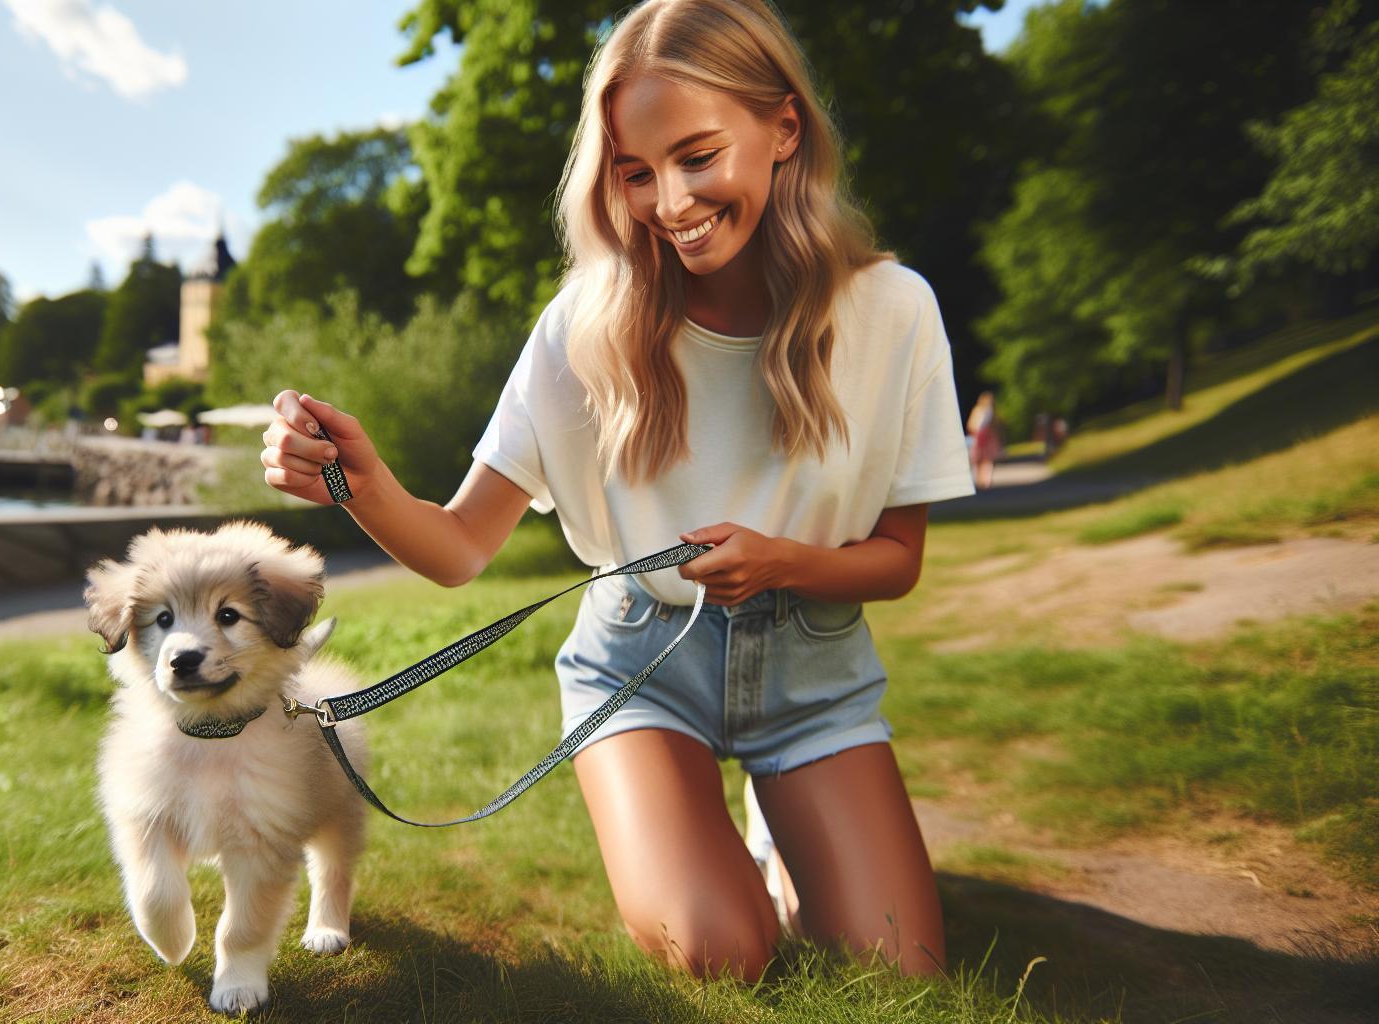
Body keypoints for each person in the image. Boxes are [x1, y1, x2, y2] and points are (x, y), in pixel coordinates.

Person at [260, 0, 973, 981]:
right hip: (639, 668)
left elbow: (897, 562)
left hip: (816, 677)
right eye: (635, 173)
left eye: (696, 155)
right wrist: (360, 482)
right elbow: (460, 545)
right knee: (726, 950)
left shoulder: (894, 311)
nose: (669, 201)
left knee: (896, 971)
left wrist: (780, 561)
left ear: (782, 130)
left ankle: (775, 825)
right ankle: (721, 847)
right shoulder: (583, 325)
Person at [966, 391, 1002, 489]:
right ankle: (986, 480)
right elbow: (997, 425)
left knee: (980, 459)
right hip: (987, 437)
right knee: (986, 459)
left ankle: (981, 479)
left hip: (980, 437)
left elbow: (971, 425)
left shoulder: (978, 410)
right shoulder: (991, 411)